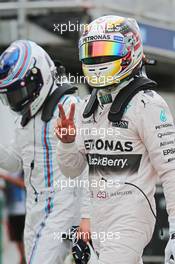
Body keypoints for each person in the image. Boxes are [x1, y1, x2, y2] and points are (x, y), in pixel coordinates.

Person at [55, 15, 175, 264]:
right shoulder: (89, 107)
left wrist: (174, 231)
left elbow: (171, 170)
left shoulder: (148, 103)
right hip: (99, 219)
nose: (97, 59)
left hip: (131, 216)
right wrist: (67, 141)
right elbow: (72, 170)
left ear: (130, 50)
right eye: (92, 52)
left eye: (106, 51)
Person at [0, 40, 88, 264]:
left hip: (63, 210)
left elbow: (91, 164)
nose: (16, 100)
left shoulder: (69, 106)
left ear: (38, 77)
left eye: (20, 92)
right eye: (11, 95)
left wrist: (88, 218)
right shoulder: (26, 118)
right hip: (35, 212)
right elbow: (15, 162)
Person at [0, 171, 26, 264]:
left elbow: (24, 184)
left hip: (22, 210)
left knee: (23, 238)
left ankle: (24, 259)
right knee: (17, 239)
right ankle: (23, 259)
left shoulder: (22, 169)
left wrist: (6, 178)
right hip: (11, 211)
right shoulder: (8, 172)